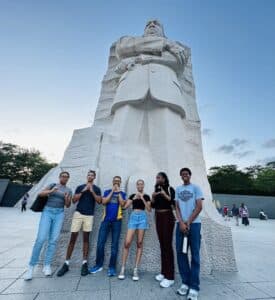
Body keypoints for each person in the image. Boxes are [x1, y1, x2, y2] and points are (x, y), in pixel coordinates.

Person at [24, 171, 72, 280]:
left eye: (66, 177)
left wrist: (66, 198)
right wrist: (51, 191)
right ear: (60, 177)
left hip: (59, 213)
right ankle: (31, 267)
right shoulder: (52, 185)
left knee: (53, 240)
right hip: (47, 212)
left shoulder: (69, 190)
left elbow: (68, 205)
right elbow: (40, 194)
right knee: (41, 239)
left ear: (68, 179)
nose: (64, 178)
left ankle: (47, 265)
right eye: (63, 176)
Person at [57, 170, 102, 277]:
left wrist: (92, 191)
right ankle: (66, 263)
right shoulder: (80, 186)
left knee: (86, 239)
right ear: (87, 176)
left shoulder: (97, 189)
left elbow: (99, 201)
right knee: (73, 238)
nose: (90, 176)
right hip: (78, 214)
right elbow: (73, 201)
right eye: (89, 175)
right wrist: (83, 190)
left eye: (92, 175)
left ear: (94, 177)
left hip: (89, 215)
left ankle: (84, 263)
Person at [175, 167, 204, 300]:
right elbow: (177, 207)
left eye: (186, 174)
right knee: (181, 254)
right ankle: (185, 283)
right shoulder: (178, 189)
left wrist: (188, 222)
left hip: (195, 225)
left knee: (195, 256)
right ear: (181, 176)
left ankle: (194, 287)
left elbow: (199, 207)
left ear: (190, 175)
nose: (184, 176)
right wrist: (181, 222)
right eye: (182, 174)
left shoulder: (196, 188)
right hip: (180, 225)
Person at [90, 176, 127, 277]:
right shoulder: (107, 191)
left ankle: (112, 267)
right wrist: (112, 191)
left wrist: (118, 192)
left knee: (114, 246)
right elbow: (104, 202)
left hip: (117, 221)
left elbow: (123, 204)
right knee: (100, 243)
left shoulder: (122, 194)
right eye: (115, 181)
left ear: (120, 183)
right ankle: (98, 265)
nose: (117, 183)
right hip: (105, 220)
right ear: (112, 182)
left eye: (118, 181)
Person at [118, 179, 151, 281]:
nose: (140, 185)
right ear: (136, 186)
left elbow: (149, 209)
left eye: (141, 184)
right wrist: (132, 199)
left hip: (142, 217)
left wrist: (142, 198)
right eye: (138, 184)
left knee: (139, 243)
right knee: (127, 243)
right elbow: (124, 207)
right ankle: (122, 269)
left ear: (143, 185)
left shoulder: (146, 196)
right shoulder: (132, 195)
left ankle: (135, 269)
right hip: (133, 217)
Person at [152, 172, 175, 288]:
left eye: (159, 177)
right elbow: (152, 206)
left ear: (164, 179)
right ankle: (163, 272)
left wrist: (164, 194)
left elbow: (173, 203)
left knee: (167, 245)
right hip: (158, 217)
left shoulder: (170, 188)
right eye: (156, 177)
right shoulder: (156, 189)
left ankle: (170, 277)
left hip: (167, 217)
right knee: (162, 245)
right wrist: (153, 197)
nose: (157, 179)